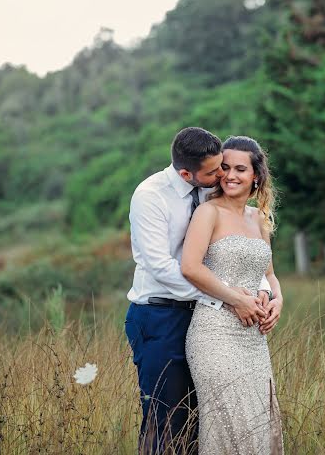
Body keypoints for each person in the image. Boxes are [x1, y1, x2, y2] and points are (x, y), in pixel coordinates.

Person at [125, 127, 274, 454]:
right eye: (215, 170)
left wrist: (264, 291)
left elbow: (239, 250)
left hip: (205, 318)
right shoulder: (150, 195)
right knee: (168, 420)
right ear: (185, 173)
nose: (222, 175)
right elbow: (161, 267)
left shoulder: (208, 188)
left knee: (205, 421)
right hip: (159, 314)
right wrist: (226, 297)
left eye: (225, 166)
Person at [182, 135, 284, 455]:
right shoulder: (208, 212)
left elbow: (268, 275)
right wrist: (235, 299)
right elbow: (190, 268)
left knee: (259, 425)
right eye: (224, 167)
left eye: (240, 169)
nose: (230, 175)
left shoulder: (260, 219)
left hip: (254, 340)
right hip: (214, 335)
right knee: (233, 426)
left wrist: (278, 300)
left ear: (256, 176)